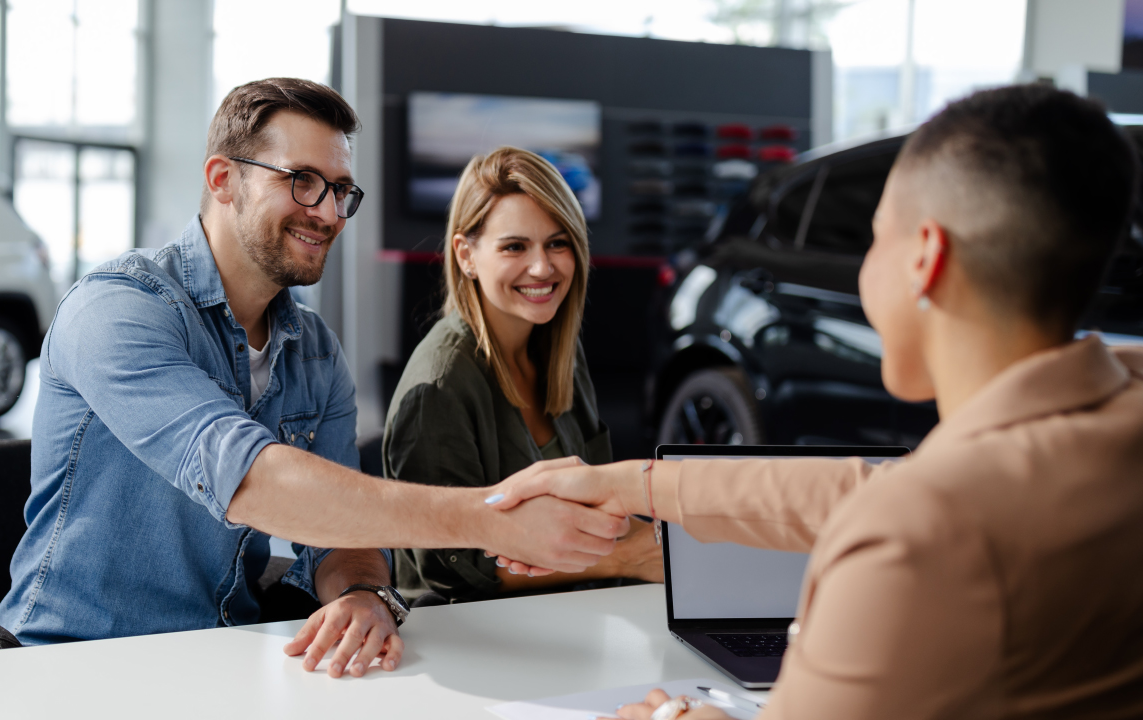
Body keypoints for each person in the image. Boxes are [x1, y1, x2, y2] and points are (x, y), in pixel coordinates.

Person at [488, 84, 1143, 718]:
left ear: (925, 257)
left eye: (873, 237)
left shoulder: (923, 537)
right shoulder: (1117, 409)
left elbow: (904, 510)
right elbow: (871, 489)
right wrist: (636, 484)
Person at [0, 78, 629, 680]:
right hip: (75, 663)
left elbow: (340, 541)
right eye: (302, 182)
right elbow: (252, 481)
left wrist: (362, 593)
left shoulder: (315, 351)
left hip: (221, 657)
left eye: (341, 190)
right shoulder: (118, 310)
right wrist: (490, 520)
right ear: (224, 179)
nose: (327, 212)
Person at [383, 147, 663, 603]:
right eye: (515, 246)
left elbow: (599, 503)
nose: (543, 267)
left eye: (558, 242)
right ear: (466, 255)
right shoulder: (438, 387)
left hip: (575, 616)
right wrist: (627, 558)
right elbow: (453, 571)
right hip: (477, 640)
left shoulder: (559, 353)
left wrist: (679, 544)